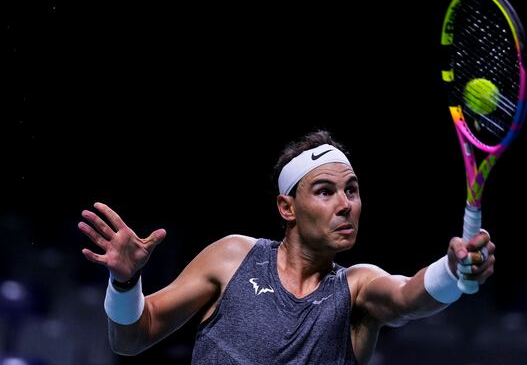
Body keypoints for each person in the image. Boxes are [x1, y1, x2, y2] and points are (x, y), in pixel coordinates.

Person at [78, 129, 495, 364]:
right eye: (325, 191)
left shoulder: (357, 289)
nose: (345, 205)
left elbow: (408, 297)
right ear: (287, 207)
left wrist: (453, 272)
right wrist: (126, 282)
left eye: (352, 190)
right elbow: (131, 338)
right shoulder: (231, 258)